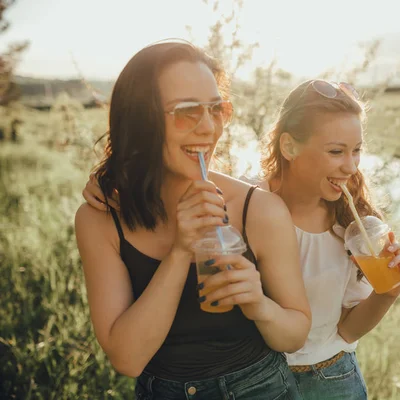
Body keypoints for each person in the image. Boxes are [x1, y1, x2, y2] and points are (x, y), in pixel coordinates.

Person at [83, 78, 400, 399]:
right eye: (337, 151)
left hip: (331, 379)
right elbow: (188, 178)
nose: (351, 166)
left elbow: (348, 329)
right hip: (259, 377)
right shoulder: (250, 204)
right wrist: (113, 179)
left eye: (356, 151)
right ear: (289, 146)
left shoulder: (354, 229)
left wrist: (387, 294)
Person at [74, 40, 311, 400]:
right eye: (186, 111)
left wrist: (260, 305)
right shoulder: (102, 219)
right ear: (141, 119)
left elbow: (295, 335)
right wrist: (181, 251)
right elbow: (127, 359)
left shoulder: (259, 210)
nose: (208, 128)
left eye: (216, 109)